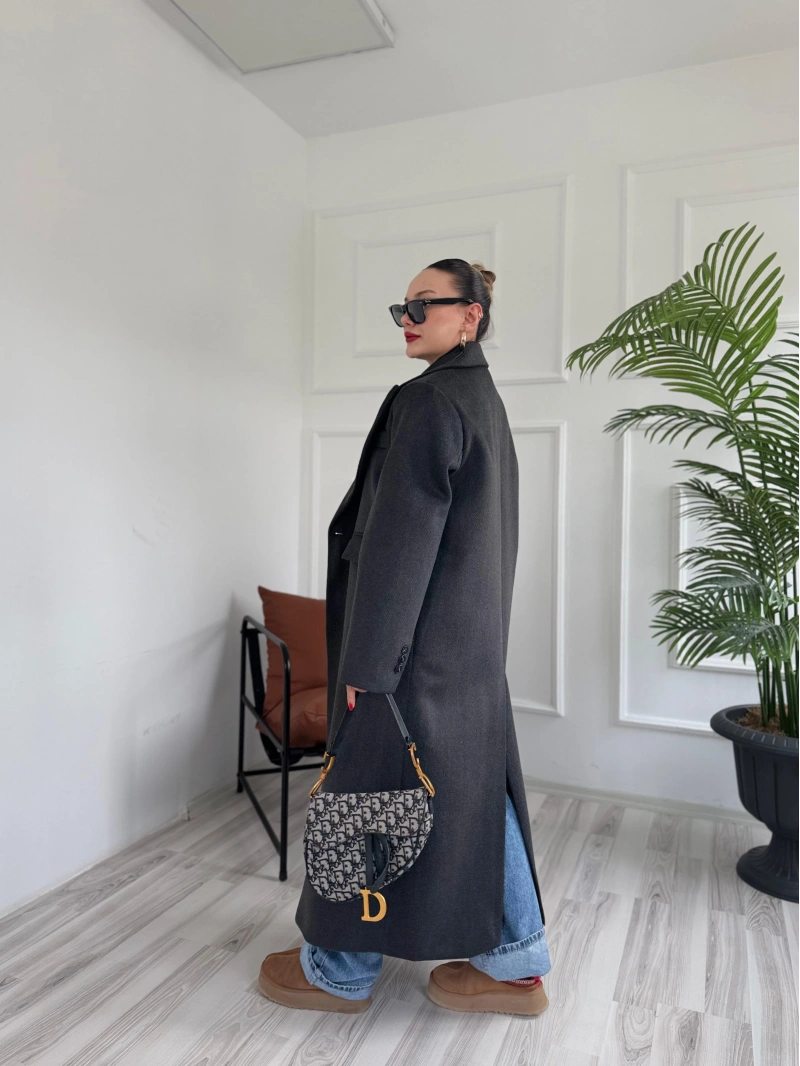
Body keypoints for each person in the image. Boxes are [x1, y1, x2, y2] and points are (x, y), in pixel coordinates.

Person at [258, 260, 551, 1016]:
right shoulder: (481, 400)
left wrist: (368, 663)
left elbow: (400, 542)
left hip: (409, 655)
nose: (408, 319)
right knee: (471, 794)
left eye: (425, 305)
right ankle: (515, 962)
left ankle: (337, 968)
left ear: (471, 315)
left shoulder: (429, 401)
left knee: (363, 794)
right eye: (403, 308)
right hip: (465, 649)